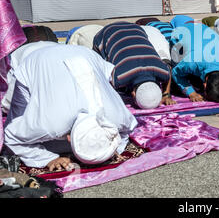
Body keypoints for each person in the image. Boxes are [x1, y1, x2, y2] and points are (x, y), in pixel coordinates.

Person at [3, 44, 138, 169]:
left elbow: (126, 130)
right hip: (36, 58)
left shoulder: (117, 117)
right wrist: (48, 159)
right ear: (68, 138)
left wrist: (112, 149)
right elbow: (11, 137)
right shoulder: (50, 125)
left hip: (84, 54)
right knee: (15, 117)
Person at [93, 22, 175, 108]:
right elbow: (103, 79)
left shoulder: (161, 71)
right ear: (133, 93)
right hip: (106, 33)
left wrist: (166, 94)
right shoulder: (119, 78)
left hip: (136, 29)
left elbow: (169, 70)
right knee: (98, 63)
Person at [170, 22, 219, 102]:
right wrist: (191, 92)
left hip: (203, 28)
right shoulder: (192, 63)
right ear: (204, 85)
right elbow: (175, 73)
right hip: (180, 32)